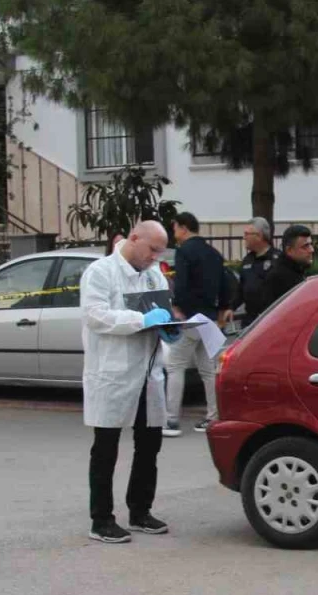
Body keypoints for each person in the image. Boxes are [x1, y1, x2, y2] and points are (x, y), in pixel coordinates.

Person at [80, 220, 178, 544]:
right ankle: (101, 519)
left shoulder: (153, 274)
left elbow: (161, 310)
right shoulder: (100, 272)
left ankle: (140, 510)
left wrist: (169, 328)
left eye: (160, 252)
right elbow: (95, 315)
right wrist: (140, 320)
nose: (155, 257)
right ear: (134, 238)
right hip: (113, 372)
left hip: (148, 372)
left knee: (149, 444)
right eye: (152, 249)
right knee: (106, 448)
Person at [163, 212, 223, 437]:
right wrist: (224, 307)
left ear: (184, 228)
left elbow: (181, 283)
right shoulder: (214, 253)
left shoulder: (184, 252)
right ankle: (213, 416)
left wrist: (178, 307)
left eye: (175, 228)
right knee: (208, 370)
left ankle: (171, 420)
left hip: (190, 318)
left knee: (175, 366)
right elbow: (225, 283)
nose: (174, 233)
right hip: (210, 318)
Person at [238, 217, 282, 327]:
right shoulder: (247, 260)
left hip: (271, 320)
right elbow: (241, 289)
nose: (244, 237)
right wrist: (229, 307)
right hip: (250, 322)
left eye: (247, 234)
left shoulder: (278, 260)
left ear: (259, 236)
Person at [264, 225, 315, 303]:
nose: (311, 250)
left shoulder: (298, 270)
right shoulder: (278, 278)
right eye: (305, 246)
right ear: (289, 250)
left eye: (311, 244)